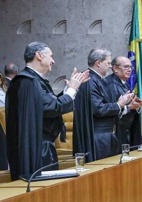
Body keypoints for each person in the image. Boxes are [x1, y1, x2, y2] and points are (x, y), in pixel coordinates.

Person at [6, 42, 88, 180]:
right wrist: (72, 89)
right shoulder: (27, 81)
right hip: (36, 148)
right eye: (51, 56)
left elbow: (48, 104)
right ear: (38, 55)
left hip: (41, 145)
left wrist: (71, 89)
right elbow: (51, 108)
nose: (53, 61)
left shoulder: (33, 80)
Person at [79, 49, 135, 161]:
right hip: (98, 137)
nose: (110, 67)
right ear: (98, 63)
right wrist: (119, 104)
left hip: (106, 135)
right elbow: (98, 109)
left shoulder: (98, 80)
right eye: (108, 63)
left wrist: (125, 106)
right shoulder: (90, 80)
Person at [105, 56, 142, 147]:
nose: (130, 70)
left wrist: (135, 104)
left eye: (131, 67)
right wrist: (130, 107)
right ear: (115, 68)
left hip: (126, 131)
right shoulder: (109, 84)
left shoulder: (124, 83)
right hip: (116, 132)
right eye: (126, 67)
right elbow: (111, 110)